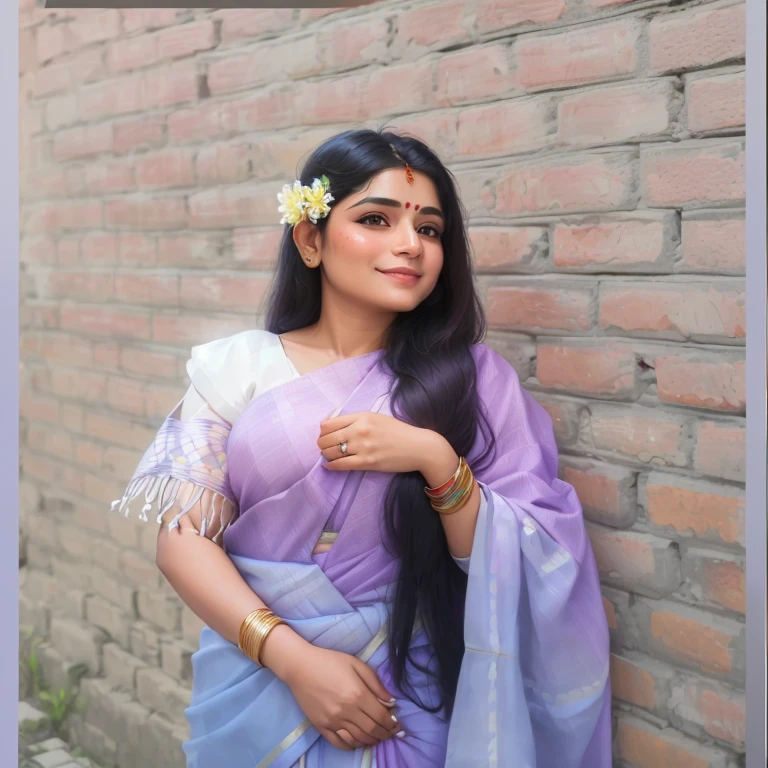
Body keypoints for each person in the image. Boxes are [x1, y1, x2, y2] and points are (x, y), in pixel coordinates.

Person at [110, 128, 612, 768]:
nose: (410, 244)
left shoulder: (475, 381)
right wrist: (295, 661)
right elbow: (183, 541)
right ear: (310, 239)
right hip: (258, 680)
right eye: (375, 219)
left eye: (429, 229)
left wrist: (435, 459)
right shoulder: (236, 368)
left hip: (408, 691)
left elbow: (524, 551)